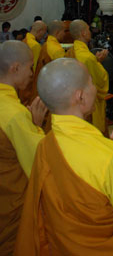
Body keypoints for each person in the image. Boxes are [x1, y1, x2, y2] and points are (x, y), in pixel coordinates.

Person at [14, 58, 113, 256]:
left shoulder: (44, 145)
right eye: (91, 82)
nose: (95, 88)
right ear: (81, 97)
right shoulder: (107, 155)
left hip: (62, 247)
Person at [0, 40, 47, 255]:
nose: (31, 73)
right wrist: (35, 126)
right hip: (10, 202)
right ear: (15, 68)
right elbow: (39, 160)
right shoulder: (16, 115)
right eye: (30, 67)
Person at [66, 19, 109, 134]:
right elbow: (100, 80)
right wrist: (98, 63)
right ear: (84, 33)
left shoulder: (71, 51)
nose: (90, 32)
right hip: (88, 104)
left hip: (73, 101)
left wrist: (96, 61)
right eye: (88, 29)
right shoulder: (87, 57)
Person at [19, 20, 47, 105]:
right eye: (44, 33)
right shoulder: (35, 45)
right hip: (29, 86)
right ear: (40, 31)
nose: (43, 36)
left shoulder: (24, 40)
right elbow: (33, 71)